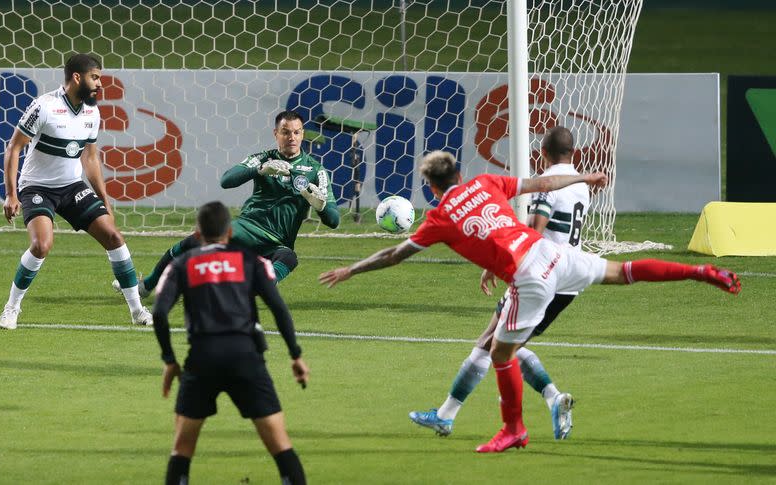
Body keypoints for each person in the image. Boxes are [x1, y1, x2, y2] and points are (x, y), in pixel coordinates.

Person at [319, 149, 740, 453]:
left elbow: (393, 255)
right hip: (551, 253)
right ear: (459, 173)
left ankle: (514, 428)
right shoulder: (485, 183)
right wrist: (584, 178)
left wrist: (351, 270)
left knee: (500, 351)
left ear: (430, 187)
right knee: (621, 271)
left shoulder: (440, 218)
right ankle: (701, 273)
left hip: (529, 277)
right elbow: (544, 183)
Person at [409, 126, 588, 440]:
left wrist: (507, 256)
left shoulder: (549, 185)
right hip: (568, 282)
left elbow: (535, 227)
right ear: (572, 152)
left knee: (491, 345)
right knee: (503, 345)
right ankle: (548, 399)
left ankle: (447, 416)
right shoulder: (580, 185)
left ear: (542, 153)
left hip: (539, 274)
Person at [153, 201, 309, 485]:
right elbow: (278, 308)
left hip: (202, 360)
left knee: (182, 449)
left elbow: (160, 313)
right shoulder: (251, 261)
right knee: (280, 445)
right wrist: (295, 355)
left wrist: (169, 360)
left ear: (197, 233)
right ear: (229, 232)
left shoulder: (182, 264)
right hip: (246, 357)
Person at [114, 110, 339, 298]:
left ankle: (259, 284)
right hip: (247, 228)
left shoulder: (316, 171)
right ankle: (147, 285)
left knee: (289, 258)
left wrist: (320, 206)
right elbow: (226, 181)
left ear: (302, 135)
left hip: (277, 242)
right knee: (195, 240)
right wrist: (260, 169)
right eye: (285, 132)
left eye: (297, 132)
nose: (292, 137)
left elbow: (334, 221)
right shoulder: (262, 158)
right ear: (276, 134)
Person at [0, 53, 152, 329]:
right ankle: (12, 308)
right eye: (95, 78)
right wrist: (11, 194)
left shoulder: (92, 112)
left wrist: (105, 201)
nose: (99, 84)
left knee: (114, 237)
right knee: (41, 245)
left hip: (72, 187)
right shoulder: (44, 106)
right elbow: (14, 147)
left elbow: (90, 159)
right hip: (37, 187)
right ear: (77, 78)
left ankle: (137, 311)